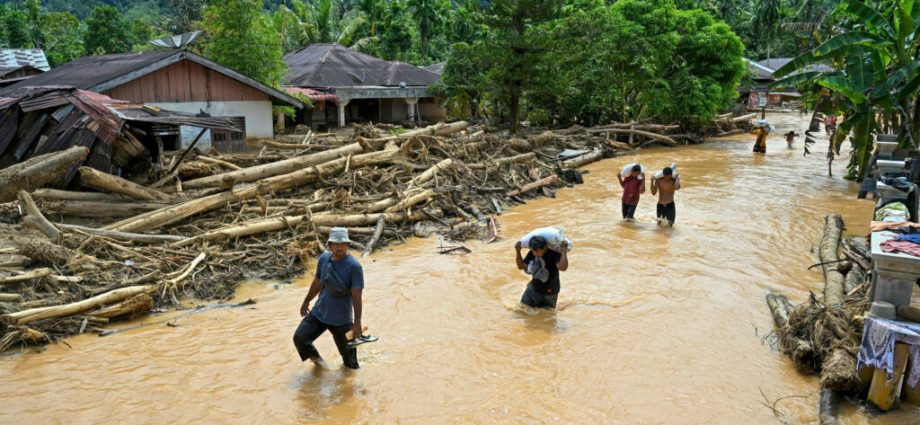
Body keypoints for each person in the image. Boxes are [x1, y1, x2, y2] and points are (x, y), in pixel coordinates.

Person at [293, 227, 364, 370]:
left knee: (351, 365)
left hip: (341, 319)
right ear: (329, 245)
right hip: (320, 312)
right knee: (300, 339)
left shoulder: (354, 266)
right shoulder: (324, 259)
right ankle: (320, 365)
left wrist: (357, 323)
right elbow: (317, 282)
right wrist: (306, 301)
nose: (339, 247)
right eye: (336, 244)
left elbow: (357, 296)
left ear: (347, 244)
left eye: (343, 243)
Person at [515, 236, 568, 309]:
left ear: (545, 248)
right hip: (533, 289)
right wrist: (518, 251)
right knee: (522, 309)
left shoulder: (553, 254)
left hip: (550, 293)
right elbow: (521, 266)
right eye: (533, 250)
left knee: (547, 316)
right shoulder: (532, 253)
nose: (534, 253)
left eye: (537, 251)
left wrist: (563, 252)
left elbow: (563, 268)